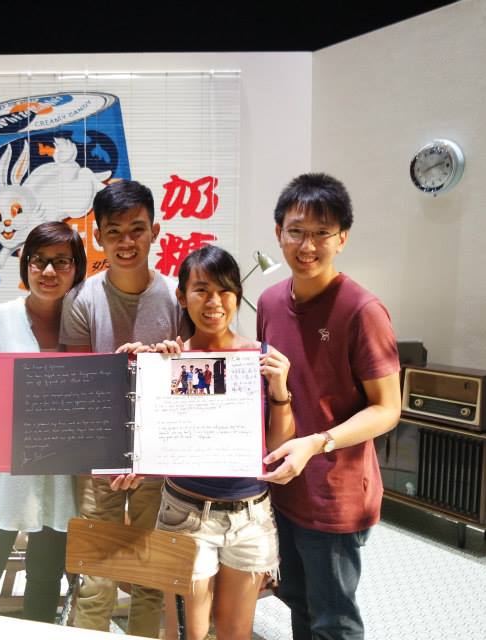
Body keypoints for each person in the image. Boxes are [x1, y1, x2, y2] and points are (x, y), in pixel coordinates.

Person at [256, 173, 401, 640]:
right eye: (296, 230)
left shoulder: (362, 310)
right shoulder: (270, 301)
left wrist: (317, 443)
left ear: (342, 238)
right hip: (284, 486)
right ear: (278, 233)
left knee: (334, 619)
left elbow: (387, 409)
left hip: (335, 494)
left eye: (322, 233)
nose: (307, 245)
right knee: (296, 601)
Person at [60, 179, 186, 637]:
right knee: (96, 577)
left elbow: (188, 394)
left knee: (151, 576)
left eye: (137, 229)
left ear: (155, 230)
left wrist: (175, 358)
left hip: (159, 459)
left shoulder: (177, 297)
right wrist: (115, 454)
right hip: (100, 460)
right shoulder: (82, 301)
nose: (126, 242)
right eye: (114, 232)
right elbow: (81, 391)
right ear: (98, 237)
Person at [151, 245, 295, 640]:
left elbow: (278, 451)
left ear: (237, 296)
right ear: (182, 296)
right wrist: (153, 368)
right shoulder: (172, 360)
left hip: (250, 516)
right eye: (201, 290)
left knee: (236, 633)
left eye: (226, 290)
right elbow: (151, 433)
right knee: (186, 634)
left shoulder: (261, 359)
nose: (214, 302)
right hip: (186, 512)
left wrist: (280, 389)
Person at [0, 221, 87, 622]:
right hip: (4, 468)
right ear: (25, 266)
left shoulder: (84, 321)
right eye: (38, 261)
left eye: (61, 262)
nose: (48, 272)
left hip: (61, 473)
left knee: (46, 578)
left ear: (77, 268)